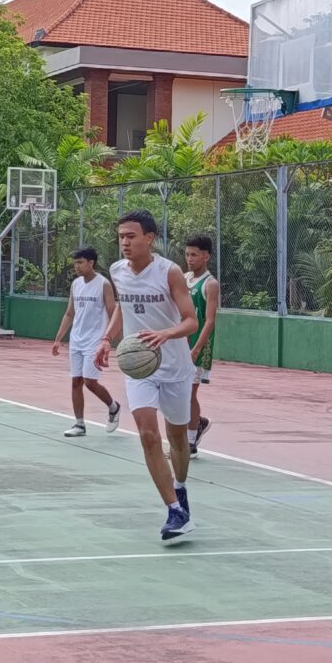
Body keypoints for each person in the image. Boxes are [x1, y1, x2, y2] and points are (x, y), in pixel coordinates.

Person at [95, 210, 198, 542]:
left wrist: (166, 334)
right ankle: (174, 510)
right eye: (121, 236)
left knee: (178, 439)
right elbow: (122, 307)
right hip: (139, 368)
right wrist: (106, 339)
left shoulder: (169, 272)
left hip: (175, 367)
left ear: (149, 238)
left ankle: (179, 487)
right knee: (148, 436)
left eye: (131, 236)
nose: (124, 242)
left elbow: (191, 321)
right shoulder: (117, 271)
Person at [52, 247, 121, 437]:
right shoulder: (76, 284)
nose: (77, 266)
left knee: (90, 382)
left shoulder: (103, 284)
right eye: (75, 263)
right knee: (76, 381)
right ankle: (79, 424)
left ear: (91, 263)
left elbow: (112, 312)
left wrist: (114, 340)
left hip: (95, 341)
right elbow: (69, 313)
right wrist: (58, 339)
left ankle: (113, 407)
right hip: (76, 340)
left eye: (80, 262)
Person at [185, 234, 219, 458]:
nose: (189, 259)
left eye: (194, 255)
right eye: (187, 254)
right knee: (177, 392)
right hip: (181, 342)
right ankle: (198, 423)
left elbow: (210, 320)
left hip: (198, 344)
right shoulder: (183, 278)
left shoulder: (210, 284)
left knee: (189, 392)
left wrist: (197, 348)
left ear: (206, 256)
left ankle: (190, 443)